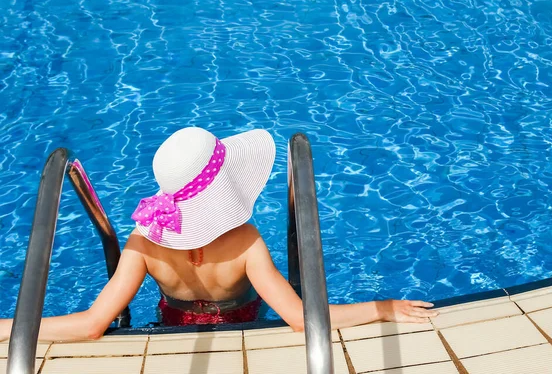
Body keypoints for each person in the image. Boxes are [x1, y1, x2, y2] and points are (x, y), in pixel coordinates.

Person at [0, 127, 438, 342]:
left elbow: (94, 324)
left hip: (170, 331)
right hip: (244, 329)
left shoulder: (142, 241)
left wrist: (7, 328)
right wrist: (383, 308)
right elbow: (301, 318)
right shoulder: (246, 241)